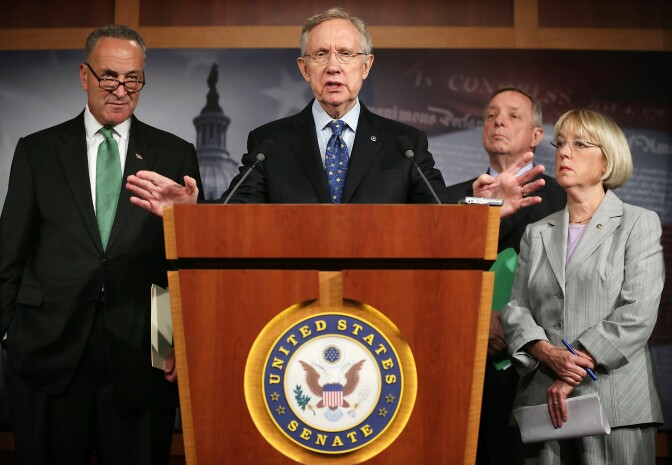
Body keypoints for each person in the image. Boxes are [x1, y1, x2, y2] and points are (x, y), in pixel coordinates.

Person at [0, 25, 203, 464]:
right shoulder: (37, 151)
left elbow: (180, 266)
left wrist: (189, 218)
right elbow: (9, 254)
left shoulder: (175, 154)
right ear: (84, 75)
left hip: (141, 356)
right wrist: (9, 334)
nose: (121, 89)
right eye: (109, 76)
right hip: (47, 355)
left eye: (133, 79)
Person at [126, 8, 544, 215]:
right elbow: (236, 214)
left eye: (346, 53)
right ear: (303, 68)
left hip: (381, 300)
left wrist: (486, 208)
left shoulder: (405, 143)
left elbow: (438, 214)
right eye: (321, 54)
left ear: (366, 66)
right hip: (294, 300)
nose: (333, 65)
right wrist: (191, 213)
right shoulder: (270, 141)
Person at [500, 109, 663, 464]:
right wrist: (546, 352)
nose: (563, 152)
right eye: (560, 144)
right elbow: (515, 309)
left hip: (614, 402)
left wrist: (573, 366)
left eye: (579, 144)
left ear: (607, 160)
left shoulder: (638, 223)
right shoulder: (537, 231)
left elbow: (638, 312)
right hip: (544, 406)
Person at [446, 87, 567, 465]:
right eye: (491, 114)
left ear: (535, 135)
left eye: (514, 115)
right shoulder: (449, 200)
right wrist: (477, 321)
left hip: (537, 368)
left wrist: (519, 333)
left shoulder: (564, 203)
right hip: (462, 364)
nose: (499, 120)